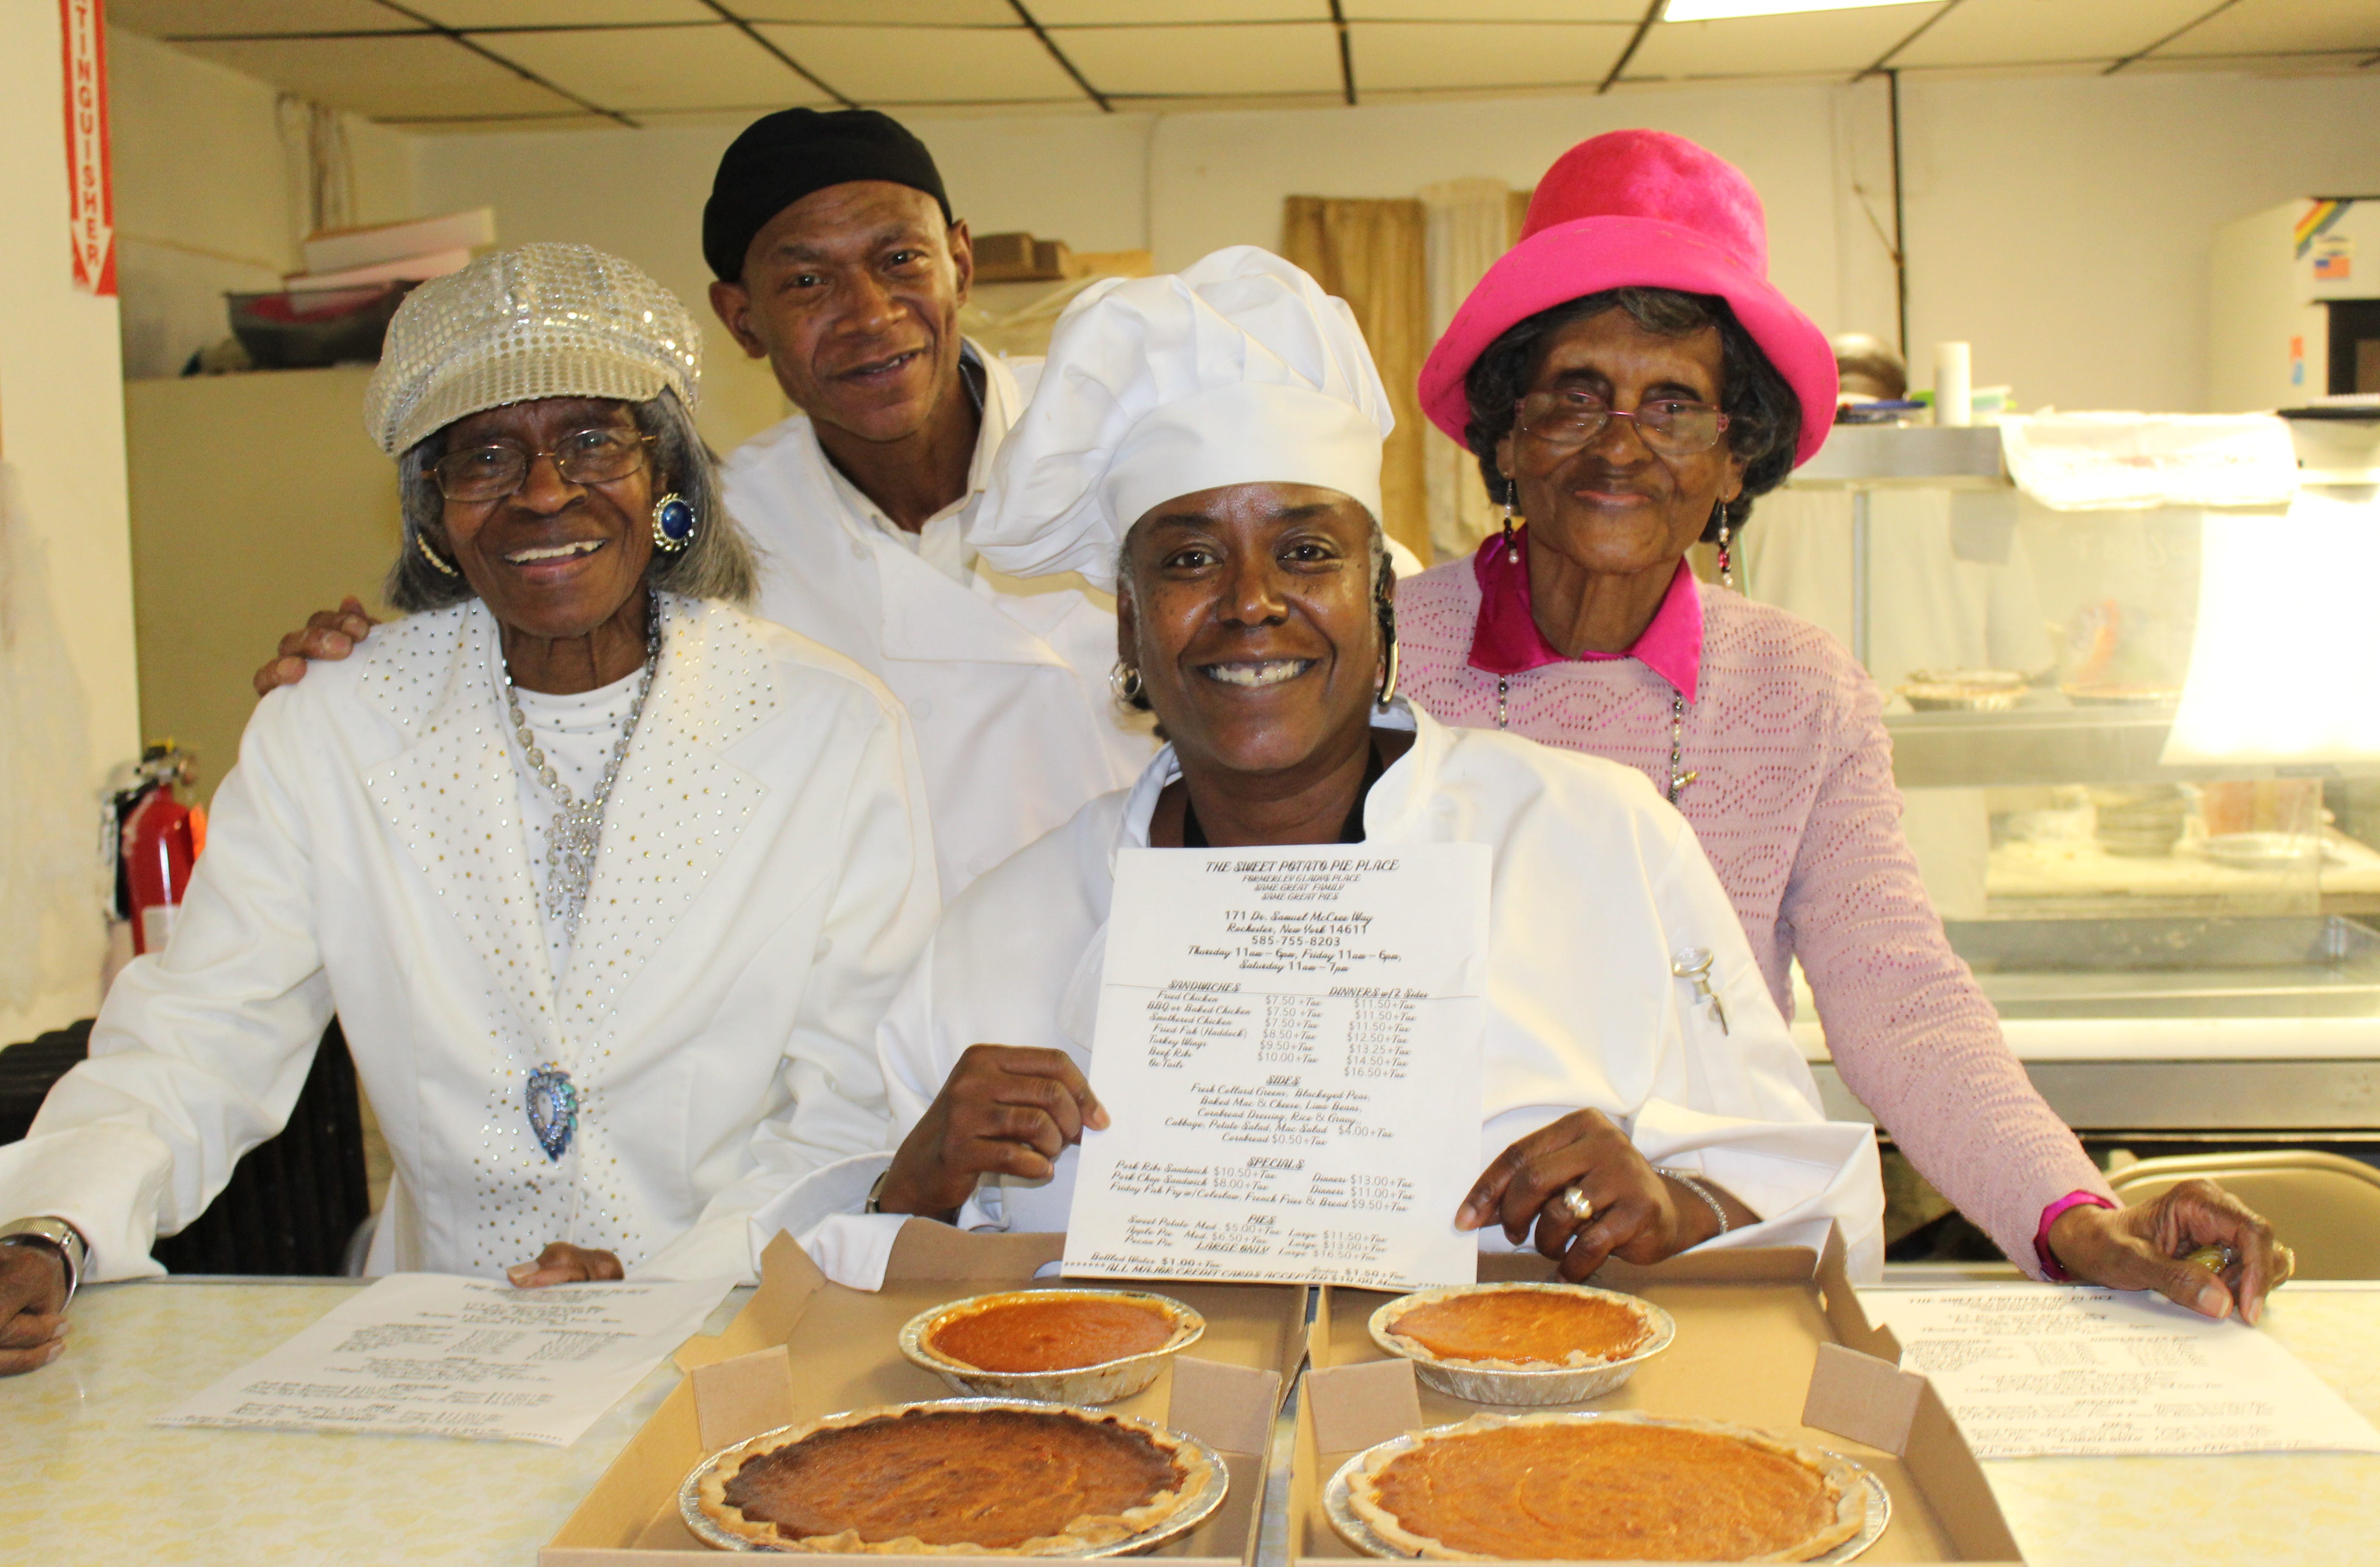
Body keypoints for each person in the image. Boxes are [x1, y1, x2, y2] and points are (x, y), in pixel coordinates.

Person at [0, 245, 936, 1395]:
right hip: (431, 1356)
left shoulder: (828, 729)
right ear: (434, 515)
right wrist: (47, 1230)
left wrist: (678, 1284)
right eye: (486, 457)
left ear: (667, 482)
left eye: (594, 442)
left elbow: (857, 1102)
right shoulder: (336, 727)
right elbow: (197, 1041)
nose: (544, 493)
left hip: (734, 1337)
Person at [802, 247, 1880, 1293]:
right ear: (1128, 627)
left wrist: (1679, 1205)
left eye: (1307, 552)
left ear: (1381, 598)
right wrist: (918, 1184)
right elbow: (828, 1279)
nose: (1250, 600)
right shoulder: (1004, 928)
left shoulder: (1597, 839)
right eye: (1187, 559)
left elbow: (1807, 1194)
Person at [1398, 129, 2291, 1318]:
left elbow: (1901, 997)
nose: (1621, 443)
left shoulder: (1799, 689)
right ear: (1506, 437)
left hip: (1703, 1256)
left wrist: (2075, 1211)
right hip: (1419, 1251)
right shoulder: (1386, 658)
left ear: (1734, 460)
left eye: (1675, 404)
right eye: (1576, 395)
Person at [263, 110, 1150, 900]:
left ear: (959, 262)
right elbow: (535, 667)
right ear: (741, 320)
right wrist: (359, 685)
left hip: (1147, 957)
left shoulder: (1124, 447)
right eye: (807, 283)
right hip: (878, 1020)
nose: (870, 313)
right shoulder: (700, 529)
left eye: (901, 260)